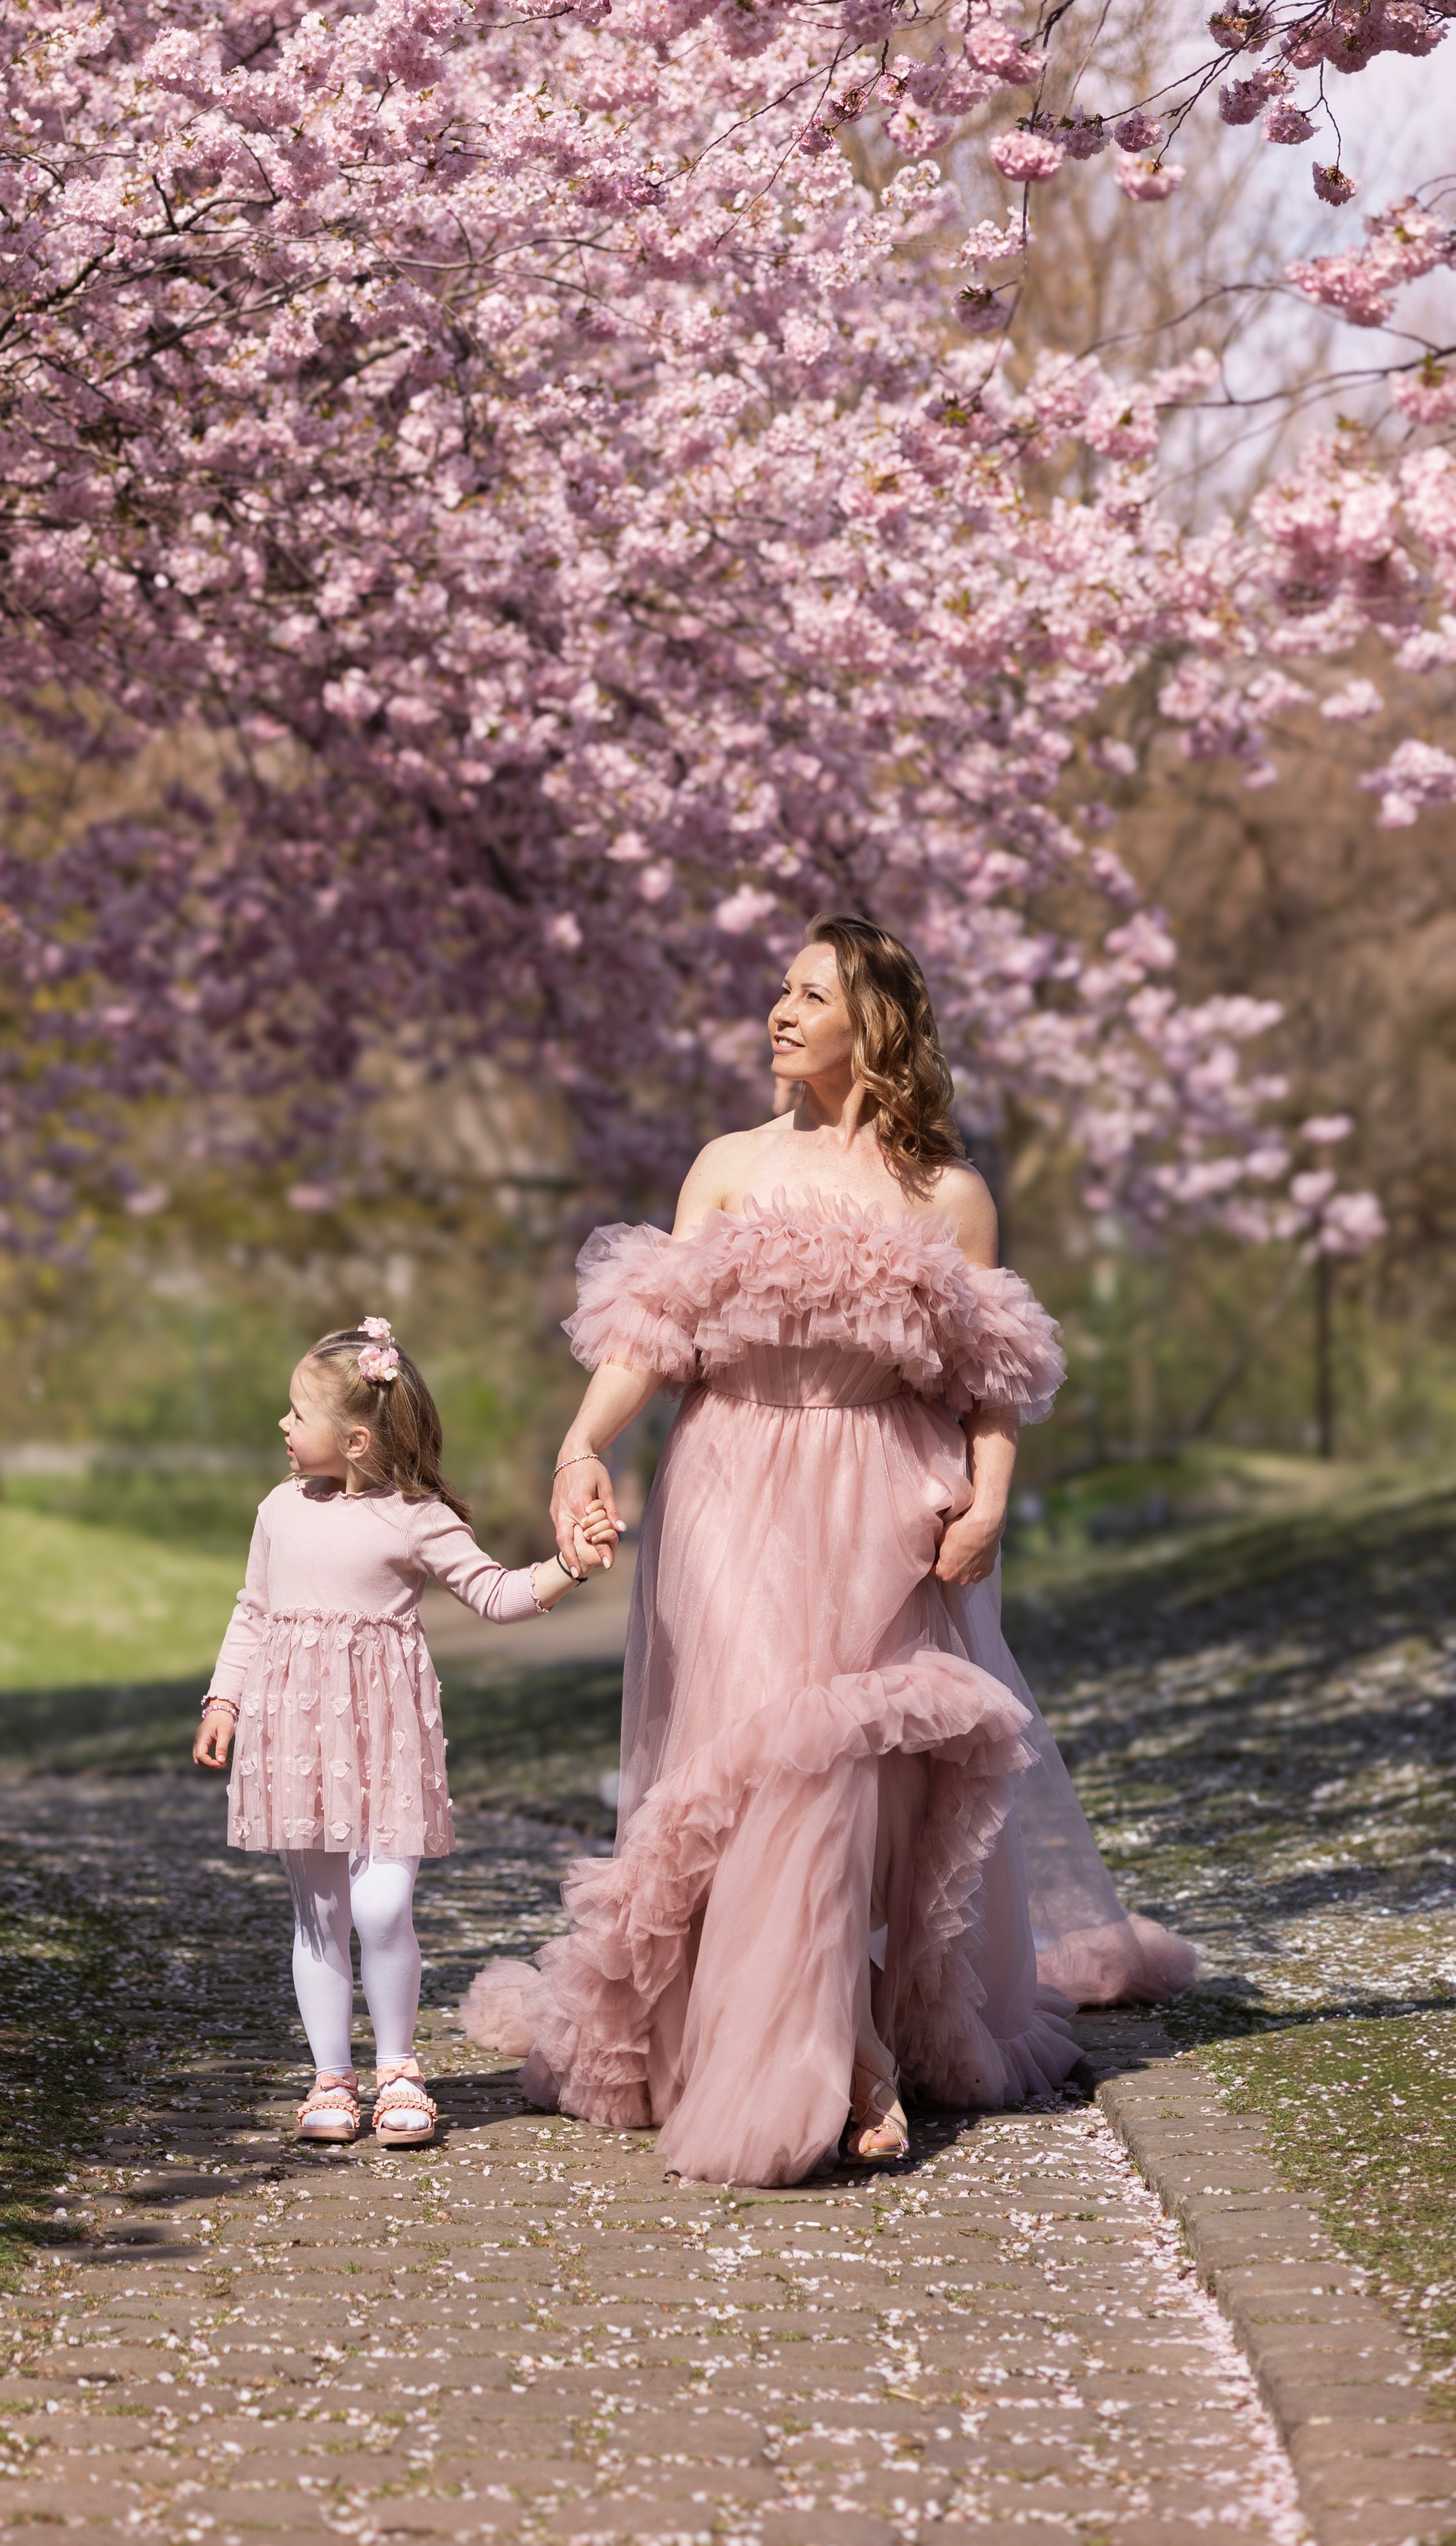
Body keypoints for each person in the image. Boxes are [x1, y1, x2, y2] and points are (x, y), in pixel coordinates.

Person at [462, 915, 1195, 2187]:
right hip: (728, 1485)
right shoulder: (730, 1166)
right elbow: (652, 1334)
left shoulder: (947, 1194)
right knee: (766, 1745)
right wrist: (582, 1448)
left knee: (856, 1772)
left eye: (811, 995)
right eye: (779, 991)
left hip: (884, 1488)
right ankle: (842, 2054)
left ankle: (851, 2024)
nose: (779, 1012)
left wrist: (991, 1499)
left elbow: (993, 1376)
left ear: (876, 1025)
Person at [194, 1319, 615, 2148]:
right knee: (317, 1912)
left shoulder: (415, 1518)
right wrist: (224, 1701)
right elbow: (253, 1611)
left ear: (352, 1438)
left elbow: (494, 1593)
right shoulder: (278, 1510)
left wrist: (568, 1567)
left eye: (294, 1413)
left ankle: (396, 2067)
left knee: (382, 1907)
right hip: (293, 1738)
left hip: (382, 1739)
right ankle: (331, 2077)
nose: (280, 1426)